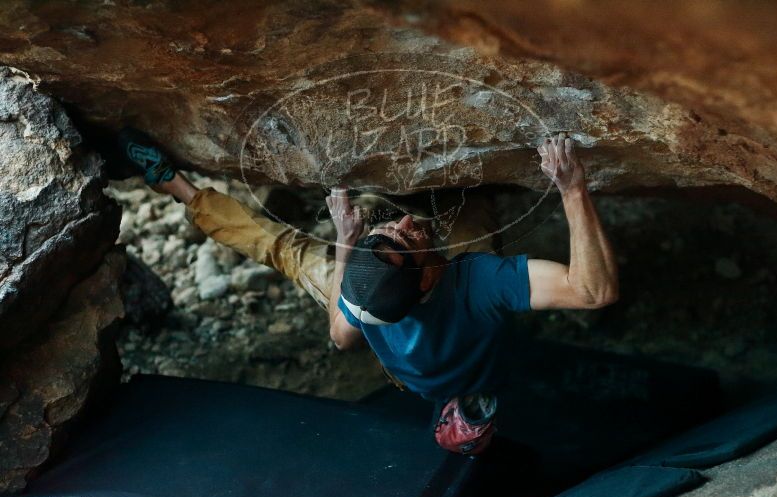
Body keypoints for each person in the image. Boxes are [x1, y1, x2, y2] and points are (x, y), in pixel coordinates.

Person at [118, 128, 618, 455]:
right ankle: (467, 195)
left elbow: (339, 336)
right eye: (409, 236)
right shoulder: (477, 281)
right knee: (472, 213)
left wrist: (346, 240)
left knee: (282, 249)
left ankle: (179, 189)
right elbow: (594, 292)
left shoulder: (360, 301)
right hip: (442, 301)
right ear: (429, 276)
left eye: (391, 230)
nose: (405, 219)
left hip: (387, 311)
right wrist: (572, 188)